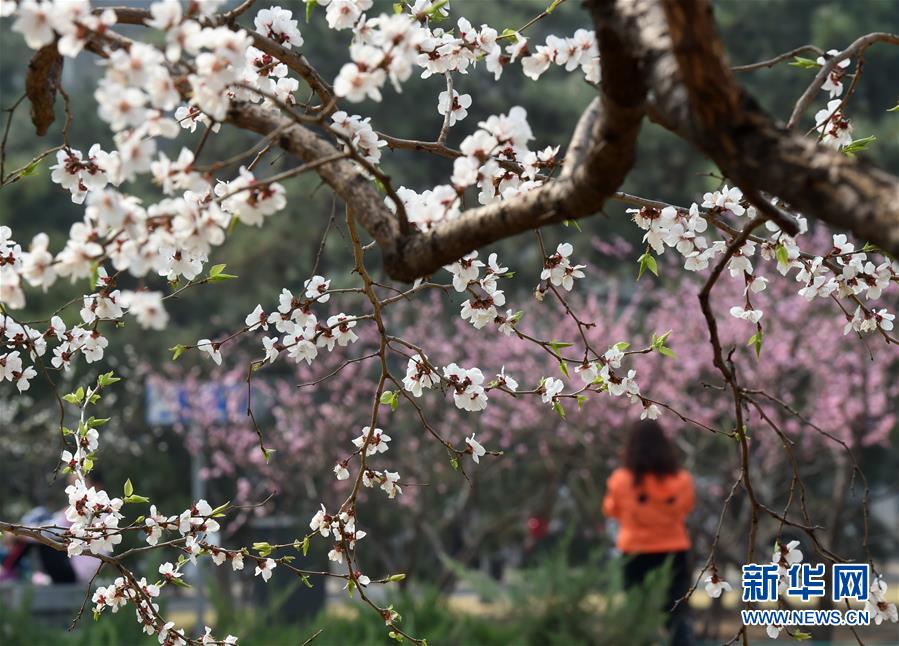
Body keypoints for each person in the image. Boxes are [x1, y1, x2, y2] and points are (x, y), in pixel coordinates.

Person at [602, 419, 695, 646]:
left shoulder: (620, 481)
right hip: (674, 552)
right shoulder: (682, 481)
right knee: (676, 614)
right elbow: (687, 507)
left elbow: (610, 509)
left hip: (635, 553)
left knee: (636, 616)